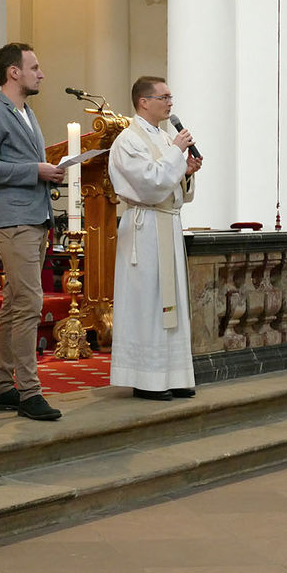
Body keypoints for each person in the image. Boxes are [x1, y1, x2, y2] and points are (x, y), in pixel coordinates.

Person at [0, 43, 66, 421]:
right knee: (29, 303)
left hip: (34, 216)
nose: (41, 73)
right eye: (35, 67)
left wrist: (47, 172)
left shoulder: (27, 114)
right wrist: (35, 171)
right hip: (12, 219)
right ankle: (29, 391)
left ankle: (0, 389)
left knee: (15, 304)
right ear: (14, 72)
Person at [108, 76, 203, 401]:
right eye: (163, 97)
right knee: (148, 302)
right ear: (143, 101)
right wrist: (177, 154)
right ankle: (146, 379)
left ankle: (173, 375)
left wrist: (186, 172)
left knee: (171, 302)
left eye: (170, 96)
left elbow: (173, 188)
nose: (170, 102)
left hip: (167, 225)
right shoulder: (128, 140)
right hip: (145, 228)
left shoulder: (163, 138)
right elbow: (149, 184)